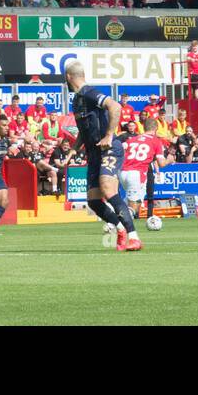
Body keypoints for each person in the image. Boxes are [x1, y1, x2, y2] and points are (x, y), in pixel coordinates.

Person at [66, 59, 140, 252]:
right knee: (93, 201)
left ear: (68, 77)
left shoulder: (89, 92)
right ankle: (121, 227)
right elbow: (84, 130)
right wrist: (74, 149)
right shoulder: (77, 100)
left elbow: (115, 106)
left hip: (108, 148)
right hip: (93, 152)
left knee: (108, 188)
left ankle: (134, 237)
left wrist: (109, 134)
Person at [120, 117, 165, 223]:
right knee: (134, 207)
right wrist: (170, 159)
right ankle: (116, 223)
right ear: (156, 128)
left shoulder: (132, 139)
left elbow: (121, 148)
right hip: (136, 174)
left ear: (144, 127)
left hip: (123, 172)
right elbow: (162, 163)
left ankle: (115, 219)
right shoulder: (156, 141)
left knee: (133, 199)